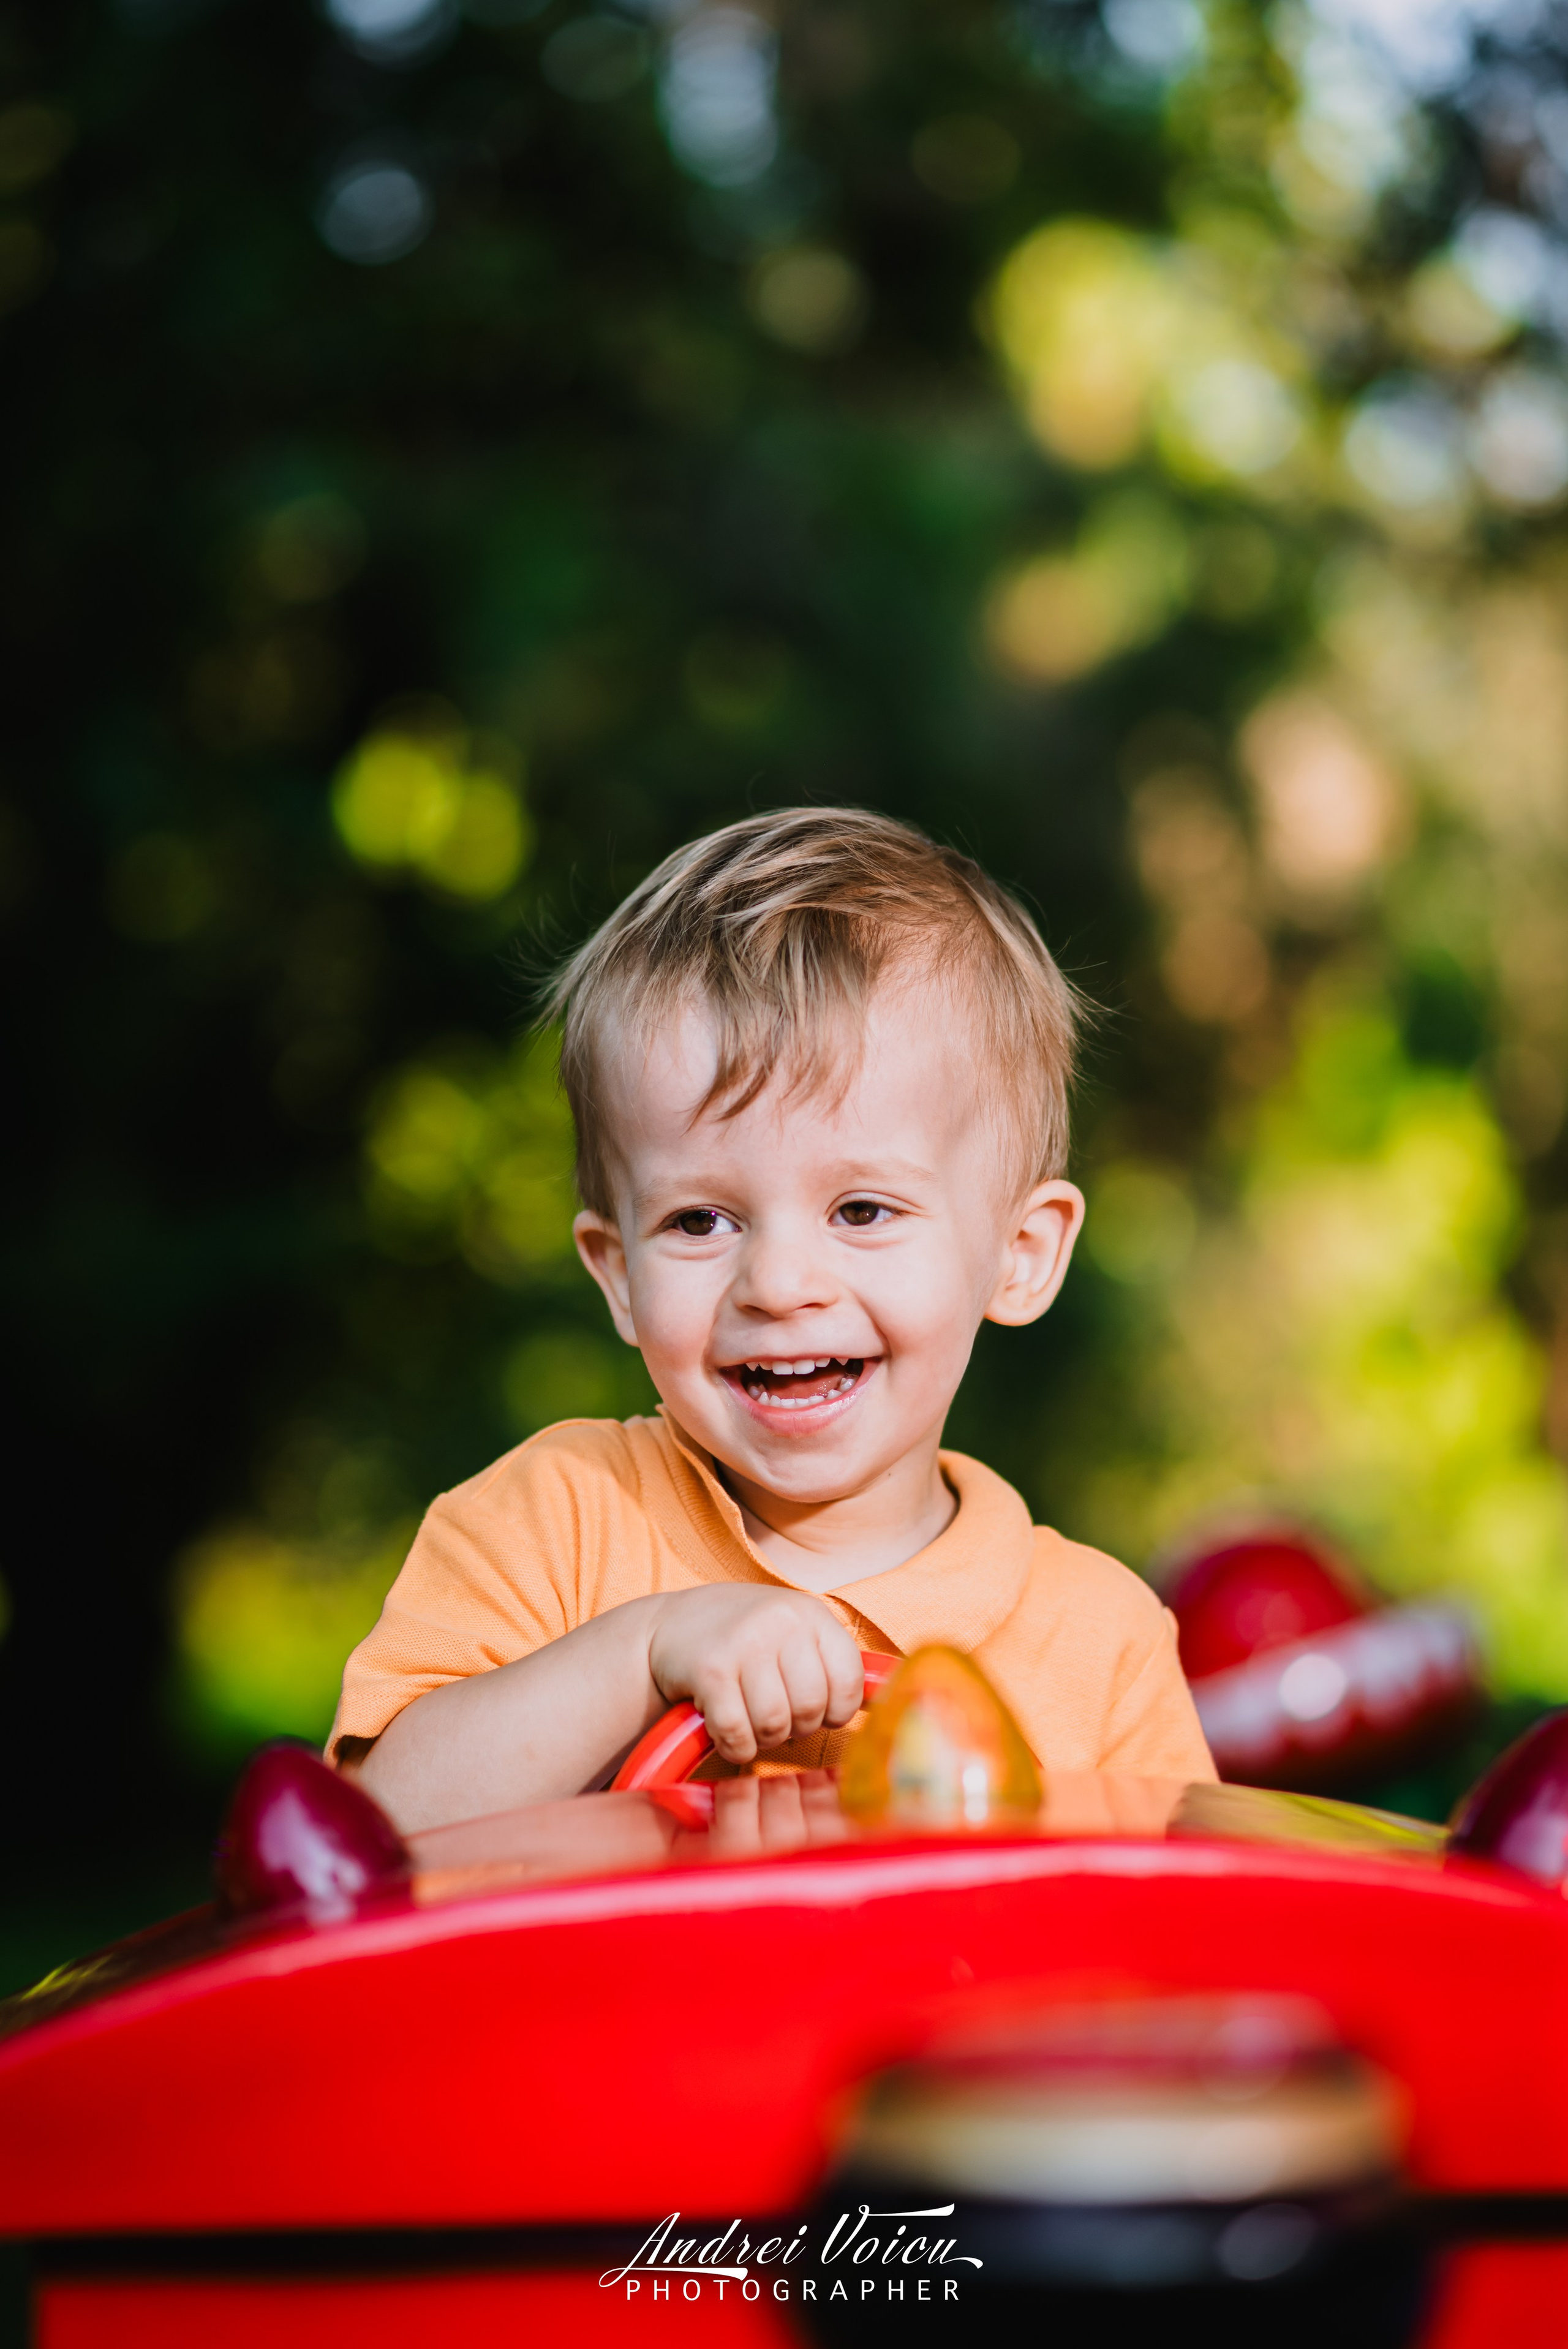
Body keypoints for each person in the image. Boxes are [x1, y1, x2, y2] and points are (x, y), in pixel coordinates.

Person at [332, 807, 1215, 1831]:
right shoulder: (554, 1526)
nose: (779, 1284)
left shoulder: (1100, 1641)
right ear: (618, 1274)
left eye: (862, 1210)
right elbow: (373, 1838)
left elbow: (1184, 1938)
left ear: (1020, 1256)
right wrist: (645, 1650)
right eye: (701, 1220)